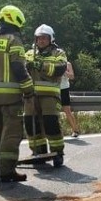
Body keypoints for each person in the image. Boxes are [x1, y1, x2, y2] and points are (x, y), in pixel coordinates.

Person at [0, 5, 34, 183]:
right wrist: (29, 89)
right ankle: (7, 171)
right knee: (11, 134)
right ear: (15, 20)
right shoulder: (14, 40)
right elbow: (19, 68)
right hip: (10, 99)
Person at [24, 24, 68, 167]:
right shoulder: (29, 53)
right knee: (31, 124)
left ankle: (57, 153)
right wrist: (26, 66)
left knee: (51, 124)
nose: (41, 41)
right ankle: (38, 151)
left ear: (51, 39)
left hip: (50, 95)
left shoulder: (58, 53)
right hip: (31, 96)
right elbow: (21, 69)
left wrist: (40, 65)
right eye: (39, 38)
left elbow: (60, 69)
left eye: (44, 38)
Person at [60, 56, 80, 138]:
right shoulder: (50, 62)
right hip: (53, 89)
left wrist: (63, 71)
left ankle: (75, 130)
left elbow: (72, 76)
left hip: (64, 89)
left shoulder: (67, 64)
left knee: (67, 111)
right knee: (53, 112)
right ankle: (57, 132)